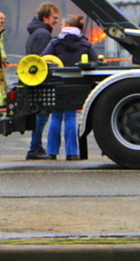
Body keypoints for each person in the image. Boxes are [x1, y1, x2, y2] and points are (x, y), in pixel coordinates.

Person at [42, 15, 98, 160]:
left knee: (56, 116)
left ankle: (52, 152)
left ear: (66, 26)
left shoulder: (55, 42)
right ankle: (72, 153)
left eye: (62, 25)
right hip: (76, 84)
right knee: (71, 117)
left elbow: (44, 59)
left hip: (57, 83)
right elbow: (95, 61)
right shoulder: (85, 43)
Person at [24, 2, 60, 160]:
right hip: (41, 80)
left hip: (33, 79)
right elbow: (42, 60)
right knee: (42, 113)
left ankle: (36, 147)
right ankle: (35, 147)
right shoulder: (44, 34)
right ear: (45, 18)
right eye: (54, 18)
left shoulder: (35, 32)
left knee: (40, 113)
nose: (57, 21)